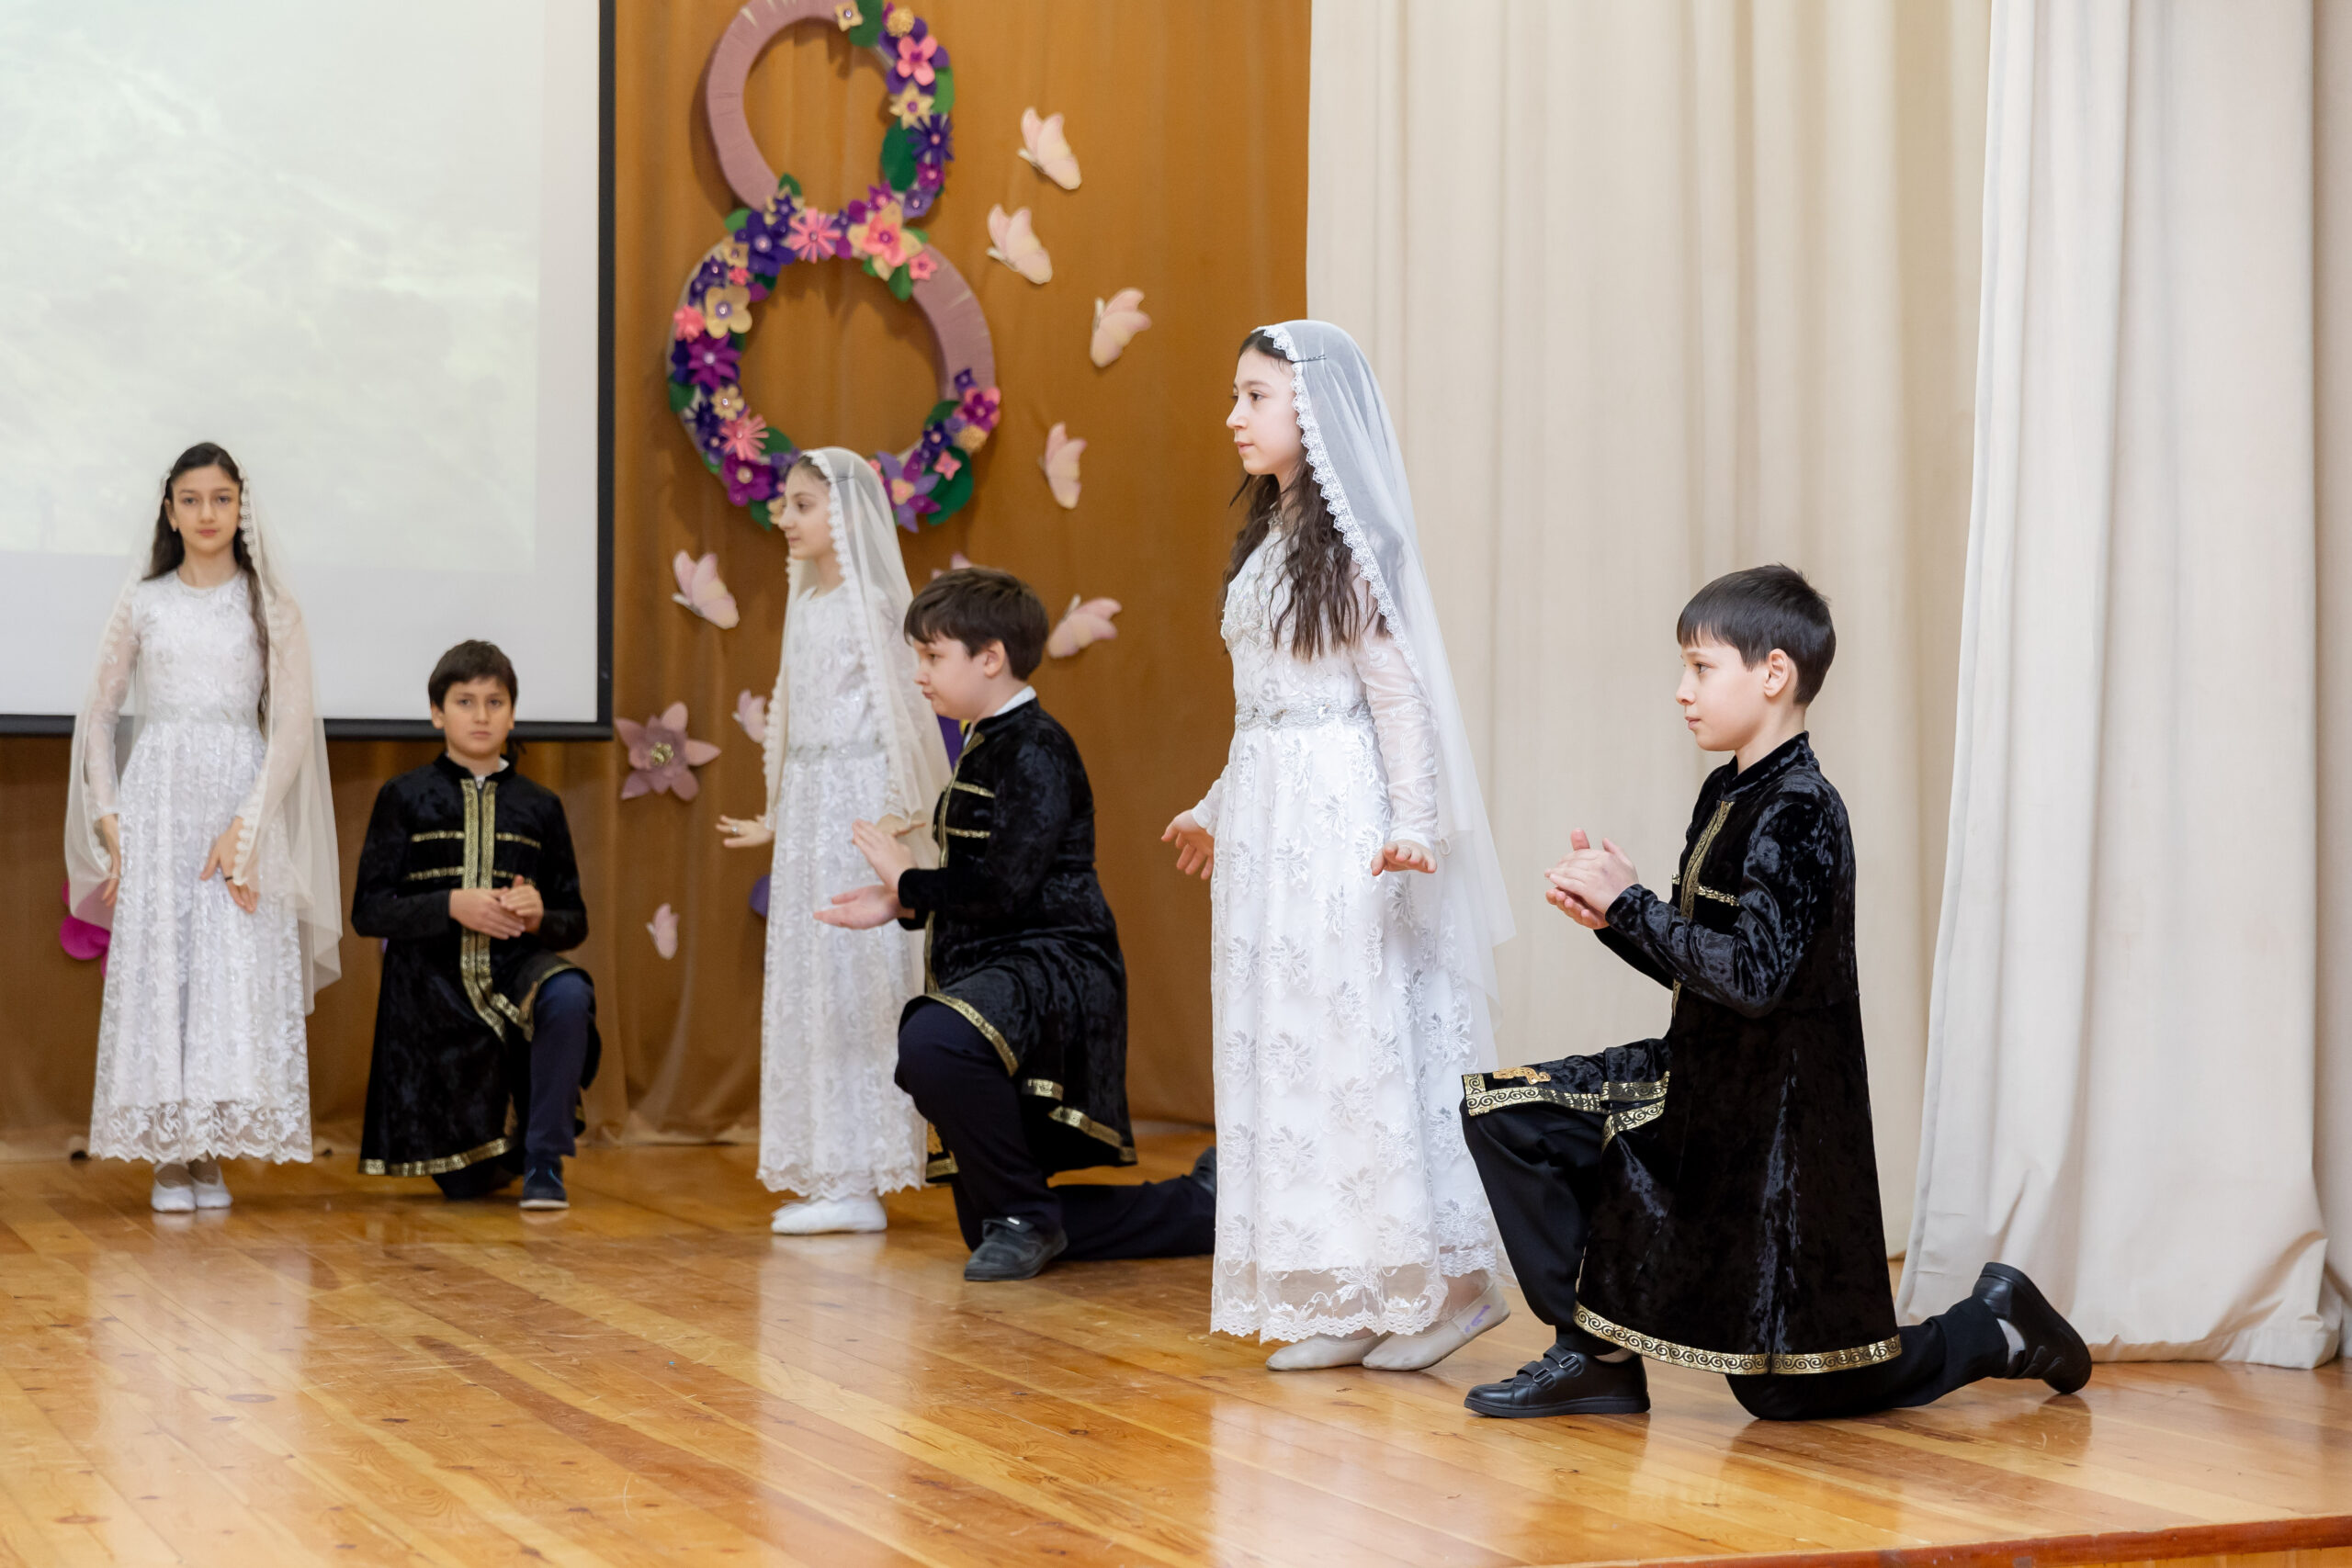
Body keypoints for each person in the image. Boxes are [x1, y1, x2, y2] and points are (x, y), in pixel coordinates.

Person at [1458, 565, 2091, 1419]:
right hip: (1702, 1085)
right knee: (1508, 1115)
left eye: (1701, 666)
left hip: (1776, 1132)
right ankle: (1596, 1354)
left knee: (1785, 1394)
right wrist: (1616, 919)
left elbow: (1752, 979)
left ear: (1774, 673)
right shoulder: (1728, 792)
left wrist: (1634, 904)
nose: (1682, 690)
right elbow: (1708, 969)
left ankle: (1991, 1324)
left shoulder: (1801, 808)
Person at [1159, 322, 1516, 1371]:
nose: (1234, 416)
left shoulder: (1356, 542)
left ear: (1311, 409)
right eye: (1237, 395)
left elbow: (1394, 697)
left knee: (1356, 1041)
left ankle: (1455, 1288)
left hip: (1338, 821)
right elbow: (1268, 708)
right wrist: (1217, 807)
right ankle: (1351, 1287)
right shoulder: (1269, 539)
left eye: (1255, 396)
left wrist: (1412, 823)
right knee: (1296, 1044)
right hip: (1272, 821)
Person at [819, 568, 1216, 1280]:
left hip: (1054, 965)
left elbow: (1005, 887)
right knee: (988, 1224)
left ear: (990, 657)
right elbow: (988, 880)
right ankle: (1201, 1208)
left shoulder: (1035, 745)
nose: (918, 674)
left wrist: (907, 881)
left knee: (933, 1041)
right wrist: (904, 902)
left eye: (932, 655)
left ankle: (1028, 1215)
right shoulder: (989, 739)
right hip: (1007, 963)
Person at [65, 443, 341, 1213]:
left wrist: (245, 827)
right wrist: (110, 815)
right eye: (191, 499)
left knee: (227, 968)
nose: (207, 513)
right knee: (167, 967)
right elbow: (99, 716)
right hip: (158, 803)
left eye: (221, 498)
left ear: (240, 506)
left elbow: (291, 726)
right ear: (170, 510)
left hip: (241, 796)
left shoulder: (271, 604)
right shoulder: (143, 601)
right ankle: (169, 1155)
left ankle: (208, 1148)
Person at [717, 450, 950, 1235]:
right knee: (809, 978)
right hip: (810, 809)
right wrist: (777, 815)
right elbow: (797, 715)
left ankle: (860, 1174)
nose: (784, 518)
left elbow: (907, 714)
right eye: (785, 503)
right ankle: (826, 1167)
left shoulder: (873, 604)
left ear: (845, 513)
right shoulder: (811, 603)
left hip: (855, 805)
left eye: (802, 504)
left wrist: (898, 811)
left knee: (855, 980)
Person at [352, 640, 597, 1211]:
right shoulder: (403, 797)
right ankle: (502, 1154)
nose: (481, 715)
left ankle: (545, 1160)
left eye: (495, 702)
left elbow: (573, 921)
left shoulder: (541, 805)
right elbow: (369, 911)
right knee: (467, 1187)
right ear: (437, 714)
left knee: (567, 991)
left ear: (512, 714)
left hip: (514, 968)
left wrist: (538, 914)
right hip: (432, 989)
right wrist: (450, 905)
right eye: (465, 701)